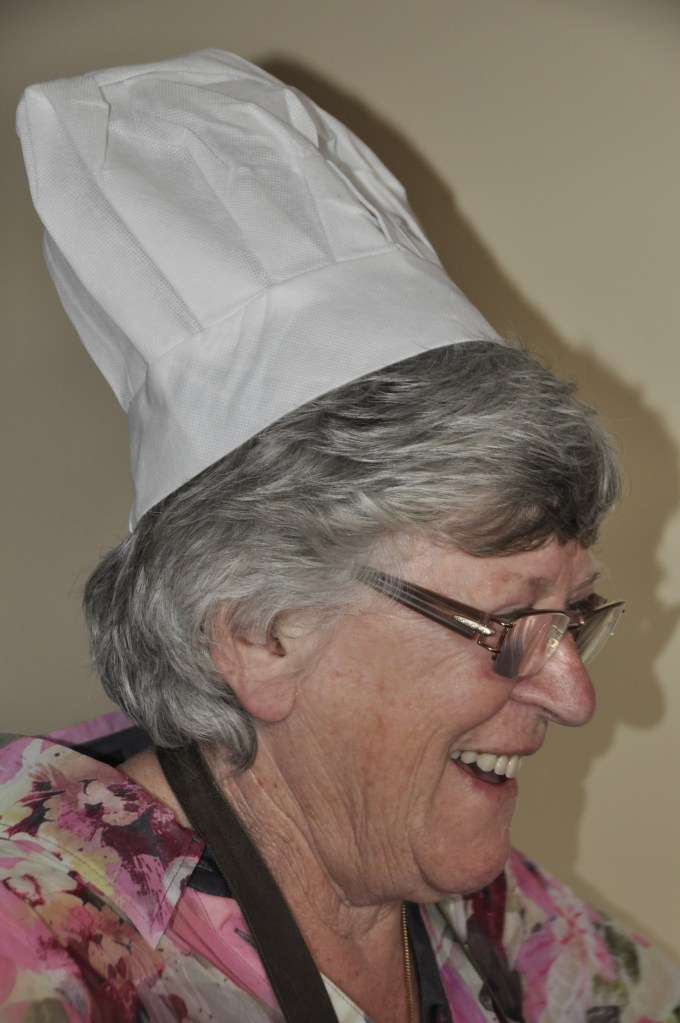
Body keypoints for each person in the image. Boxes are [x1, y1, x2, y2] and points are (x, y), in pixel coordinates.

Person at [2, 49, 678, 1023]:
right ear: (259, 634)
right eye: (508, 626)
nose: (575, 695)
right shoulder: (41, 953)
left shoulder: (483, 907)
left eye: (573, 616)